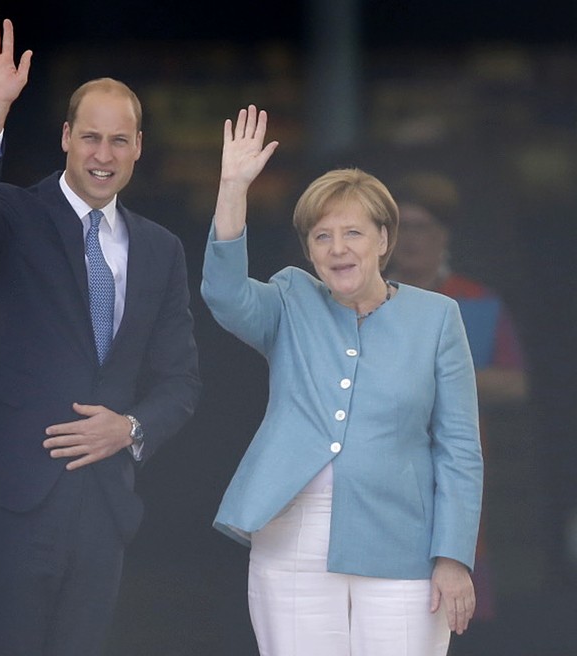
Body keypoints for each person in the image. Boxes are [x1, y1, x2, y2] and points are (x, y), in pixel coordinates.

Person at [0, 16, 200, 656]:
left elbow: (181, 381)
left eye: (118, 141)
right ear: (65, 138)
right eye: (90, 137)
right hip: (11, 492)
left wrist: (132, 428)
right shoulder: (15, 214)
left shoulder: (161, 250)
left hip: (101, 503)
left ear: (139, 146)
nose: (103, 155)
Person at [200, 106, 483, 655]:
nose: (337, 248)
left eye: (353, 232)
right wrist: (233, 188)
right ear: (309, 252)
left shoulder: (437, 317)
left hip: (403, 541)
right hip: (292, 536)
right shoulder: (289, 299)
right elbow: (224, 294)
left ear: (384, 239)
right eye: (322, 236)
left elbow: (460, 450)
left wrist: (452, 556)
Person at [387, 170, 529, 624]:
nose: (409, 239)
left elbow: (516, 383)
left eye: (420, 227)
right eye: (399, 228)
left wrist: (441, 377)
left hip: (457, 465)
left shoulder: (476, 302)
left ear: (443, 235)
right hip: (383, 469)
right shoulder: (363, 298)